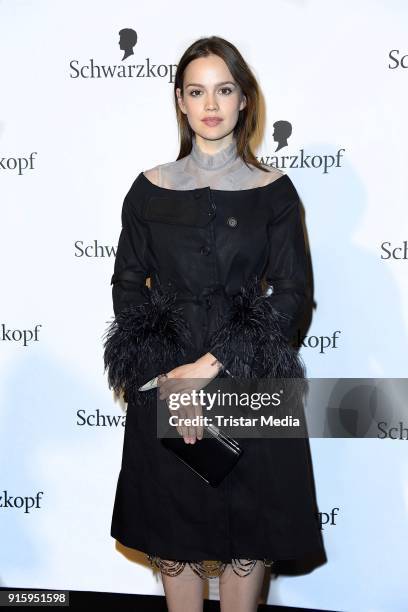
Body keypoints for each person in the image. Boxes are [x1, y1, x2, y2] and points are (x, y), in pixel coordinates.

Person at [103, 35, 327, 612]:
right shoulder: (147, 189)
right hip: (166, 386)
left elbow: (294, 296)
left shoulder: (275, 193)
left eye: (224, 89)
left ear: (244, 100)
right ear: (179, 100)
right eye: (197, 91)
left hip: (250, 382)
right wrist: (168, 381)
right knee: (174, 544)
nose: (211, 103)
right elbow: (128, 286)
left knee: (246, 546)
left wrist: (206, 369)